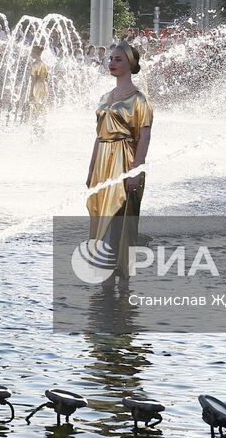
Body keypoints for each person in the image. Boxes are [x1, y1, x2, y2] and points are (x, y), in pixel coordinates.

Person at [85, 41, 154, 276]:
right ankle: (104, 269)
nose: (112, 63)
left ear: (130, 64)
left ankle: (122, 276)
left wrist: (135, 171)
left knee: (121, 217)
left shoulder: (139, 99)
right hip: (103, 160)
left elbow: (144, 137)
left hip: (125, 159)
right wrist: (91, 169)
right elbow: (98, 135)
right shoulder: (106, 96)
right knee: (101, 214)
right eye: (111, 59)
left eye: (118, 59)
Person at [28, 43, 50, 137]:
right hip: (44, 86)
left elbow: (33, 80)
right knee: (42, 106)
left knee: (35, 106)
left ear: (35, 53)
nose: (30, 53)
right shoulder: (44, 64)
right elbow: (47, 79)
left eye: (32, 51)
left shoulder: (34, 64)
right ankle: (42, 127)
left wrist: (31, 93)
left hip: (37, 86)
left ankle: (36, 128)